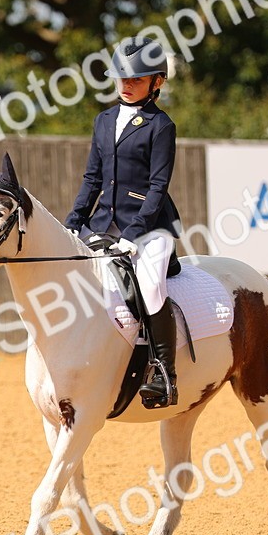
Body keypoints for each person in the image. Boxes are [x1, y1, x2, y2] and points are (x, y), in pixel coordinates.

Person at [63, 37, 182, 408]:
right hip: (103, 224)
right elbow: (93, 179)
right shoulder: (103, 121)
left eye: (136, 80)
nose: (126, 85)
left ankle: (164, 372)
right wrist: (74, 220)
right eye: (122, 78)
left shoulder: (161, 126)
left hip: (150, 226)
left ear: (156, 82)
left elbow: (159, 185)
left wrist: (135, 232)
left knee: (150, 289)